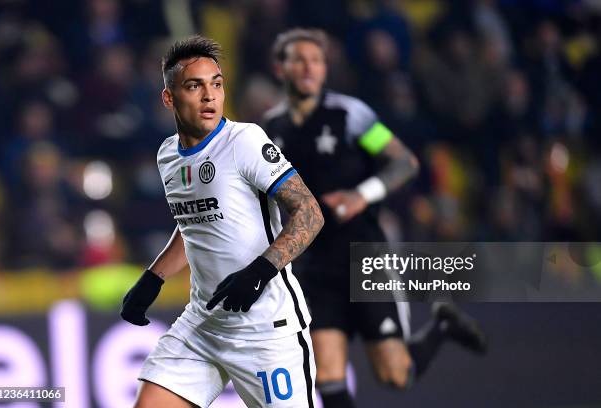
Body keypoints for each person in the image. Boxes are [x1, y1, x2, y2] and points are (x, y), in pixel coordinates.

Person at [262, 28, 487, 408]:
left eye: (316, 60)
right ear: (279, 68)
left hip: (363, 256)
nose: (308, 68)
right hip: (312, 265)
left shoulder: (352, 115)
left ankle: (442, 325)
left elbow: (404, 162)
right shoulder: (269, 129)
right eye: (298, 60)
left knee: (394, 376)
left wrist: (361, 195)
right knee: (328, 379)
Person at [120, 35, 324, 408]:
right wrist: (152, 280)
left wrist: (262, 269)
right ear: (169, 98)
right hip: (204, 326)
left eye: (216, 84)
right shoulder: (169, 155)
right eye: (194, 86)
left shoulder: (244, 141)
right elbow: (197, 225)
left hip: (267, 333)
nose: (209, 95)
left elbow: (309, 213)